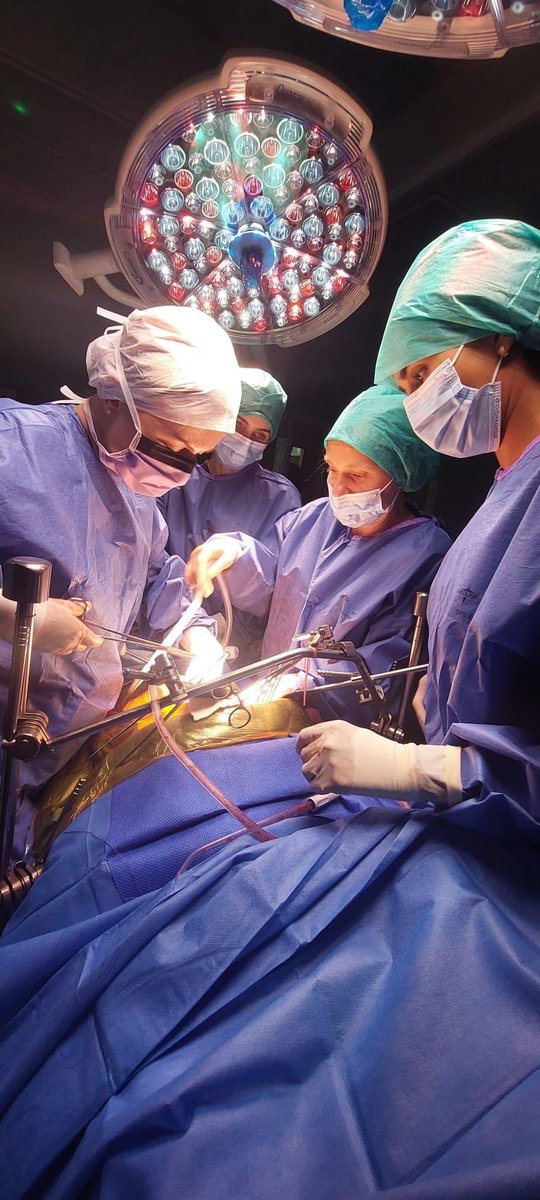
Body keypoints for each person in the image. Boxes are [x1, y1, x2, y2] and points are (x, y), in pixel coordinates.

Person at [296, 219, 540, 830]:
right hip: (473, 829)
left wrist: (419, 770)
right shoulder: (504, 495)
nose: (417, 403)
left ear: (498, 338)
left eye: (424, 374)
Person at [0, 305, 241, 845]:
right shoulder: (11, 448)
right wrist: (11, 617)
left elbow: (157, 576)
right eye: (170, 446)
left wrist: (195, 627)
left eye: (197, 456)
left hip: (59, 758)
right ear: (115, 400)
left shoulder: (132, 494)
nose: (180, 471)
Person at [186, 384, 451, 727]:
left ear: (399, 475)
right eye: (331, 469)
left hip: (335, 730)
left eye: (356, 476)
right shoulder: (315, 518)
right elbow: (272, 576)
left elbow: (390, 666)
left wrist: (306, 684)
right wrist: (237, 554)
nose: (337, 489)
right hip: (264, 705)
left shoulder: (425, 555)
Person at [160, 368, 300, 661]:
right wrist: (191, 624)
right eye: (238, 424)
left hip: (233, 653)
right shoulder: (171, 479)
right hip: (163, 633)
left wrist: (240, 557)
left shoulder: (279, 497)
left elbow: (279, 589)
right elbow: (150, 565)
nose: (246, 440)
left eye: (259, 435)